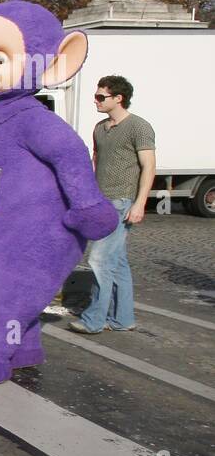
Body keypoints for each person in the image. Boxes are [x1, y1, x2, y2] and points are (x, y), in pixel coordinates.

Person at [70, 75, 155, 334]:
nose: (96, 101)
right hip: (102, 202)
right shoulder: (100, 128)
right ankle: (123, 319)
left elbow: (149, 167)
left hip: (122, 202)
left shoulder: (139, 127)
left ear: (118, 98)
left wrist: (139, 203)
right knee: (117, 262)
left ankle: (94, 320)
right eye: (96, 96)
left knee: (99, 259)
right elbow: (97, 161)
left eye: (101, 97)